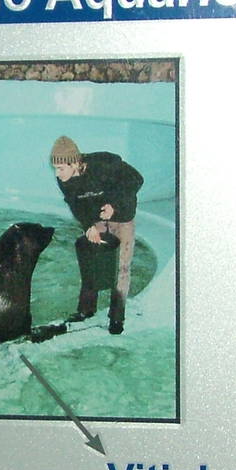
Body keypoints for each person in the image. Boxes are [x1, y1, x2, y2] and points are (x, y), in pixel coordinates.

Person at [50, 135, 143, 334]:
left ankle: (117, 316)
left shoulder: (103, 164)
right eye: (55, 169)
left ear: (74, 163)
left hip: (122, 215)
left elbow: (136, 179)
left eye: (61, 169)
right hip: (97, 217)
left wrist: (114, 206)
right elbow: (74, 203)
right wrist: (88, 226)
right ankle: (86, 311)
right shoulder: (65, 179)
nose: (57, 174)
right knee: (92, 263)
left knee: (121, 267)